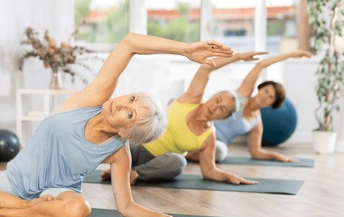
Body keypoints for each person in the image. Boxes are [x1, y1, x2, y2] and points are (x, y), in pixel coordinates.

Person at [0, 33, 234, 217]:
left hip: (55, 195)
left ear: (128, 132)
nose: (121, 106)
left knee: (79, 209)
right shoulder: (91, 100)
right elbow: (129, 44)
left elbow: (126, 207)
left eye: (130, 114)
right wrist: (184, 49)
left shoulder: (118, 152)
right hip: (11, 182)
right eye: (130, 100)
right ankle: (23, 209)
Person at [102, 52, 265, 185]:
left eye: (222, 109)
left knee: (179, 162)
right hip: (138, 142)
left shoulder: (208, 137)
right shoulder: (191, 98)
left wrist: (228, 176)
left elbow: (208, 170)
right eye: (217, 100)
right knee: (122, 132)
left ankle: (131, 174)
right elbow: (205, 69)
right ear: (212, 96)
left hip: (156, 163)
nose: (215, 107)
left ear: (223, 117)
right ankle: (120, 168)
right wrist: (237, 57)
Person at [185, 50, 312, 163]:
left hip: (217, 143)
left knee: (220, 151)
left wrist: (277, 156)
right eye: (266, 91)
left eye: (271, 97)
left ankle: (187, 154)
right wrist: (291, 54)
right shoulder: (242, 94)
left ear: (272, 104)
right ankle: (187, 149)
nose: (265, 96)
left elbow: (256, 152)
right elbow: (261, 65)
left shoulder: (256, 123)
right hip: (203, 128)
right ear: (261, 88)